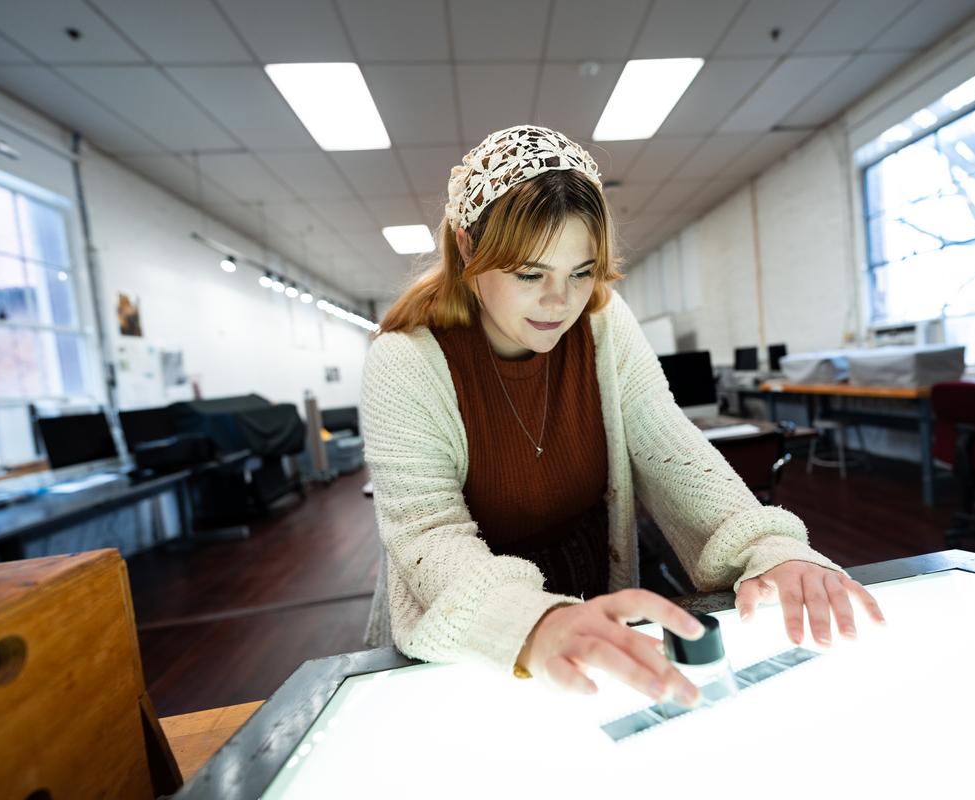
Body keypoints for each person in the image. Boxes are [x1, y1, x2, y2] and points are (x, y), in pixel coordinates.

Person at [361, 125, 883, 708]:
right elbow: (428, 532)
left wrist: (770, 548)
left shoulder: (605, 327)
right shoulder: (404, 359)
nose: (560, 302)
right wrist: (529, 624)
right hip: (475, 633)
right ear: (466, 248)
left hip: (595, 612)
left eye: (581, 272)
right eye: (530, 274)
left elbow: (674, 451)